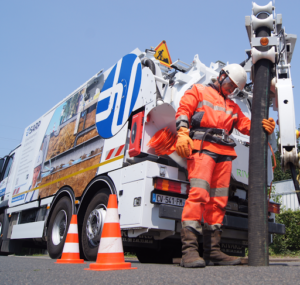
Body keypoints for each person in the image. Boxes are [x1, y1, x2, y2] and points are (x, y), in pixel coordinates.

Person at [175, 64, 275, 268]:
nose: (230, 90)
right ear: (221, 76)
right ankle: (190, 251)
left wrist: (265, 125)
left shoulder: (233, 106)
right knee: (199, 195)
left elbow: (247, 125)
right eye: (229, 85)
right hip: (203, 148)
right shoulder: (198, 90)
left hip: (224, 153)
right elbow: (184, 110)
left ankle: (213, 252)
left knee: (218, 202)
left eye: (234, 89)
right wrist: (182, 132)